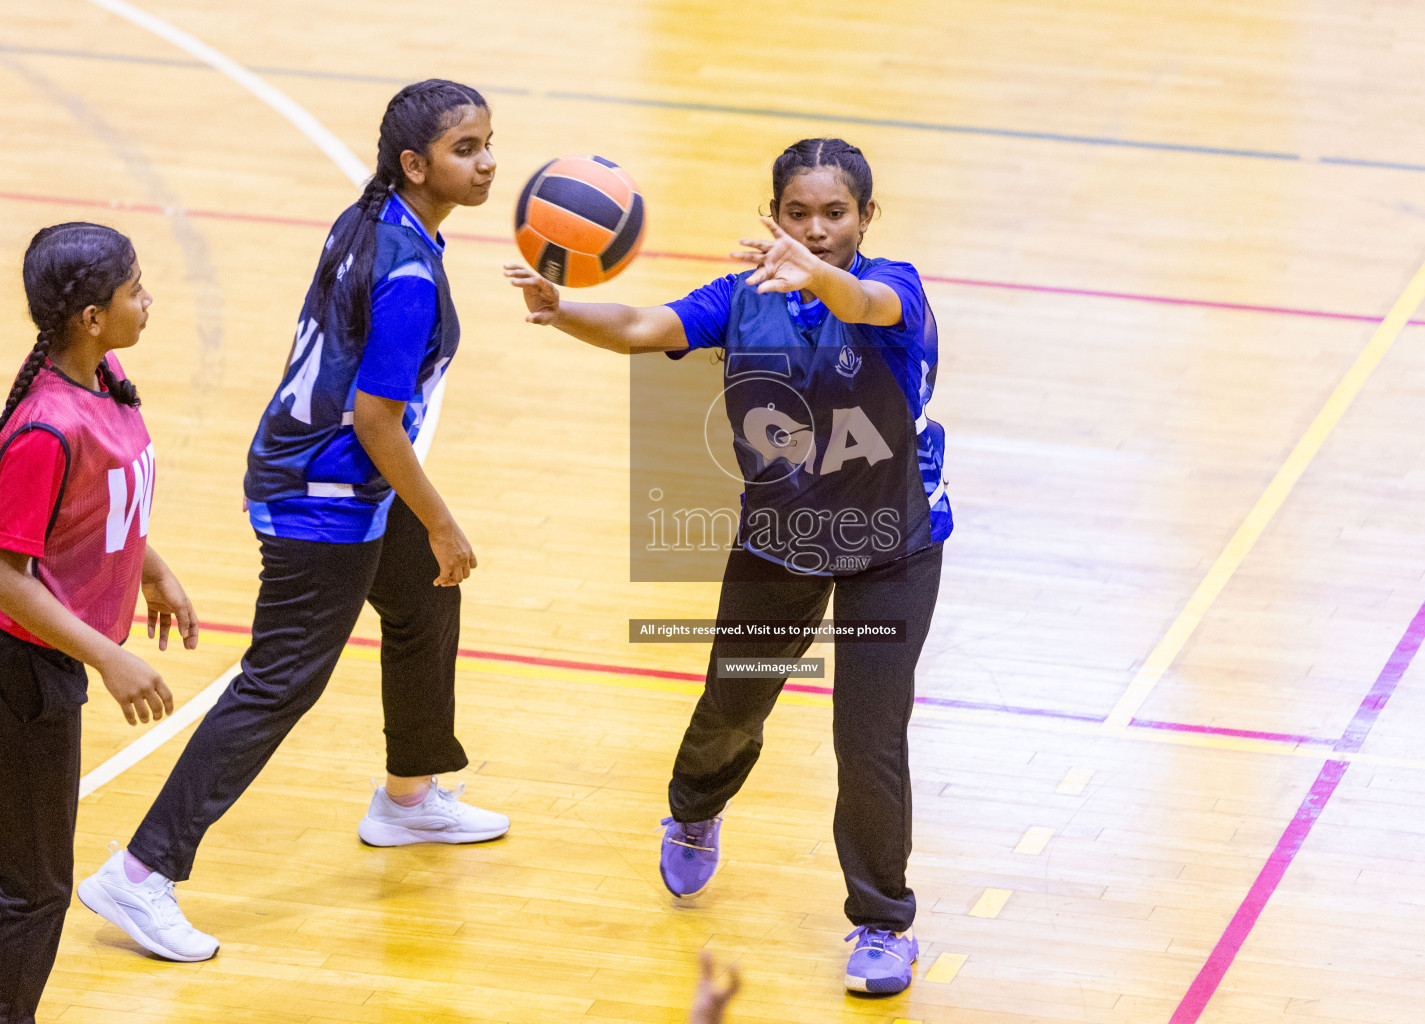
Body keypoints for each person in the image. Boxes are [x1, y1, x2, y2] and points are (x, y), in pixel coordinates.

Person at [507, 137, 951, 995]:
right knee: (732, 707)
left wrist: (818, 276)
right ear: (772, 215)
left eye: (835, 214)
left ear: (867, 218)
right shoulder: (741, 299)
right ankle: (696, 808)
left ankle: (882, 923)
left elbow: (859, 300)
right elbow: (642, 326)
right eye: (798, 214)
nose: (816, 229)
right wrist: (561, 305)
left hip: (891, 551)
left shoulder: (897, 289)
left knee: (869, 740)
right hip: (776, 545)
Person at [78, 79, 508, 962]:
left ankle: (410, 797)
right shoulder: (410, 271)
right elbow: (374, 419)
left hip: (328, 470)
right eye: (467, 149)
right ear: (414, 165)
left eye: (488, 142)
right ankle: (139, 873)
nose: (489, 161)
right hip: (326, 490)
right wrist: (442, 520)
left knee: (427, 602)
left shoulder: (372, 218)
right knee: (281, 681)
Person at [0, 223, 198, 1023]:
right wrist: (106, 659)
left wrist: (151, 568)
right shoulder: (45, 428)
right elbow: (6, 577)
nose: (147, 303)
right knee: (37, 888)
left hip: (46, 666)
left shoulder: (105, 376)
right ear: (89, 315)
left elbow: (97, 500)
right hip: (23, 675)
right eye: (134, 291)